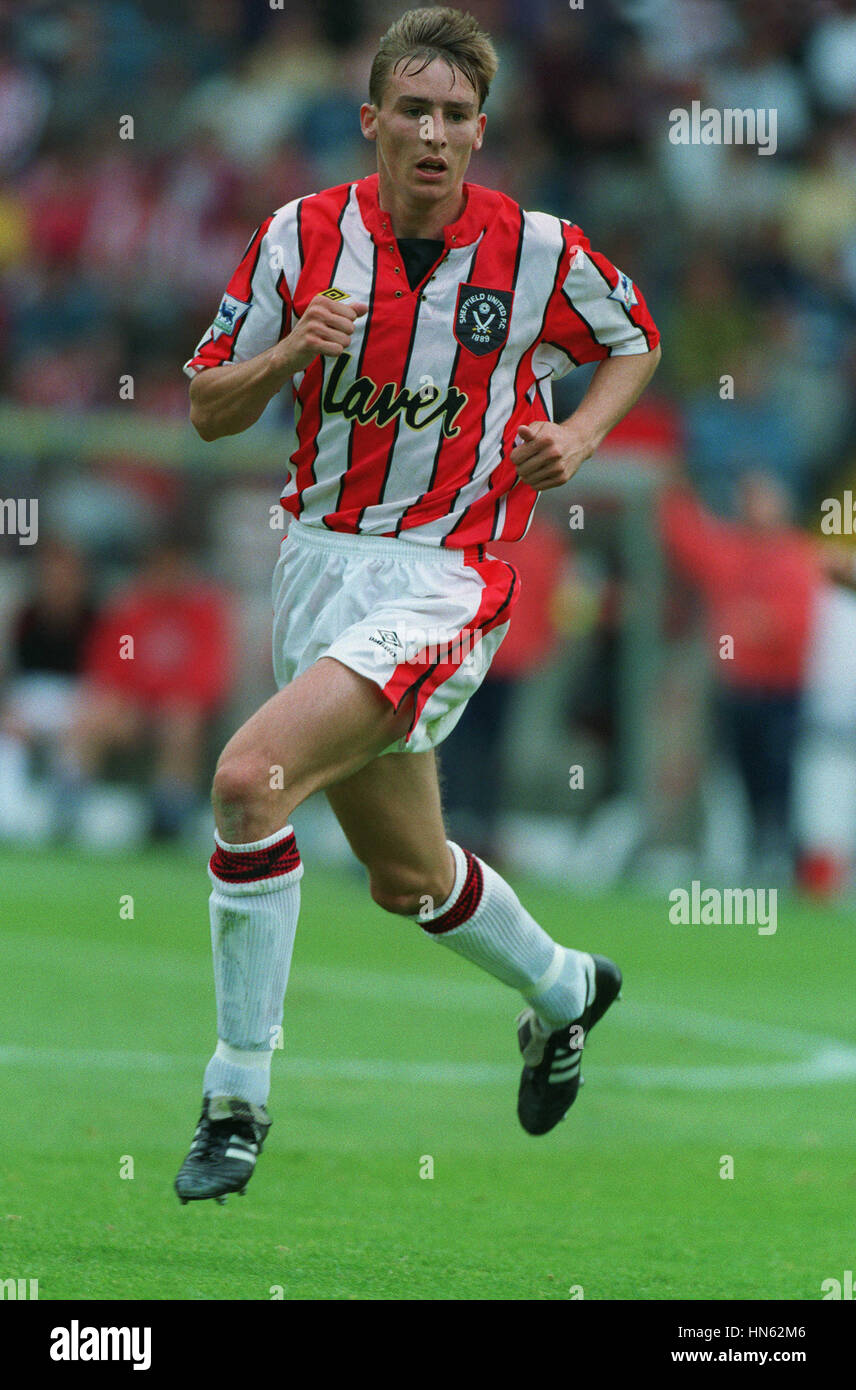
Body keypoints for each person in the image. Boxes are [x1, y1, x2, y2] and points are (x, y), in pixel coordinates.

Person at [175, 6, 661, 1205]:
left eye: (455, 116)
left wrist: (580, 435)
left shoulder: (538, 249)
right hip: (318, 561)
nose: (434, 135)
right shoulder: (298, 235)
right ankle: (563, 991)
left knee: (249, 781)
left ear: (480, 132)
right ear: (372, 122)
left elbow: (636, 333)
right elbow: (202, 405)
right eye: (413, 112)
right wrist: (290, 354)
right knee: (406, 877)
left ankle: (236, 1094)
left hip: (450, 574)